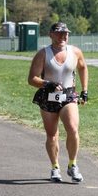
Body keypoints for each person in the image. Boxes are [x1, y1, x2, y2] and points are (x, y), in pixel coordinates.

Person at [28, 22, 88, 183]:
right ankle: (55, 167)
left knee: (73, 129)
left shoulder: (75, 52)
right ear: (51, 35)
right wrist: (48, 84)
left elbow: (82, 67)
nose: (63, 37)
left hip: (68, 95)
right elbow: (32, 79)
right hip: (48, 96)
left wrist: (85, 90)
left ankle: (72, 165)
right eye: (59, 33)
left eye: (66, 34)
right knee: (52, 135)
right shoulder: (43, 54)